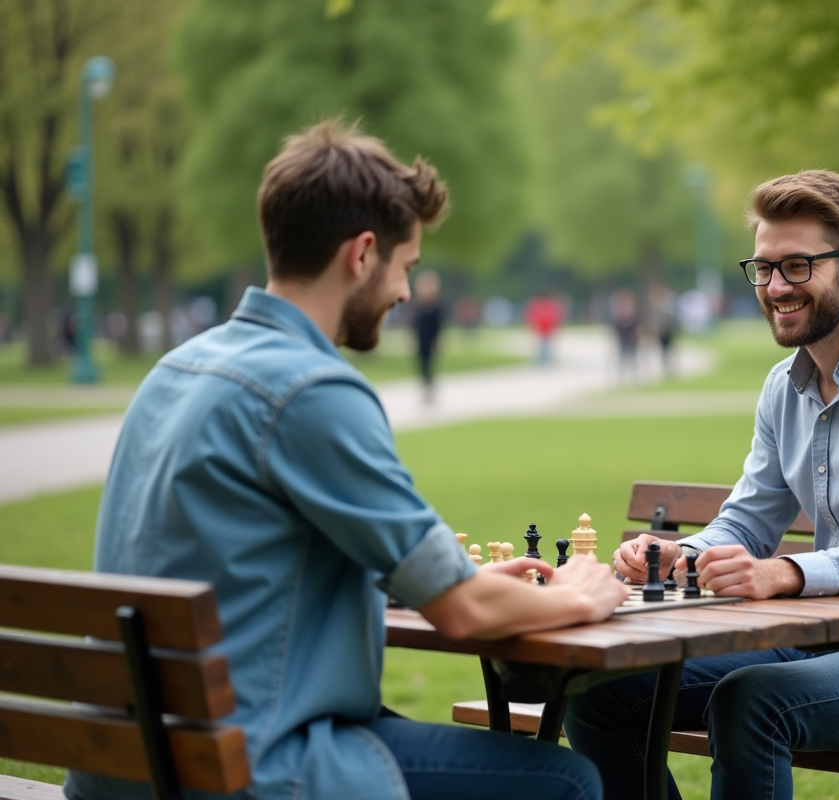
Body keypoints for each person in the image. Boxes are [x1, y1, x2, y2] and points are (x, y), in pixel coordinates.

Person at [65, 119, 627, 800]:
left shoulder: (176, 370)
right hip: (248, 770)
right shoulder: (312, 389)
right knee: (565, 781)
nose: (403, 293)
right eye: (406, 268)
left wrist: (441, 579)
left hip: (126, 765)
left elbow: (243, 561)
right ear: (362, 254)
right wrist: (575, 593)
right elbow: (465, 614)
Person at [564, 170, 839, 800]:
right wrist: (680, 556)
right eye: (764, 268)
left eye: (797, 267)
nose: (774, 288)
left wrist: (784, 574)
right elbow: (745, 524)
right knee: (602, 690)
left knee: (752, 702)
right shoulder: (784, 386)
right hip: (826, 642)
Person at [411, 270, 443, 402]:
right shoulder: (419, 307)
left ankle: (430, 389)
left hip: (431, 340)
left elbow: (438, 326)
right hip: (420, 340)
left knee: (429, 364)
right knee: (421, 364)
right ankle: (424, 387)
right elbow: (414, 326)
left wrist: (438, 340)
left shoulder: (436, 308)